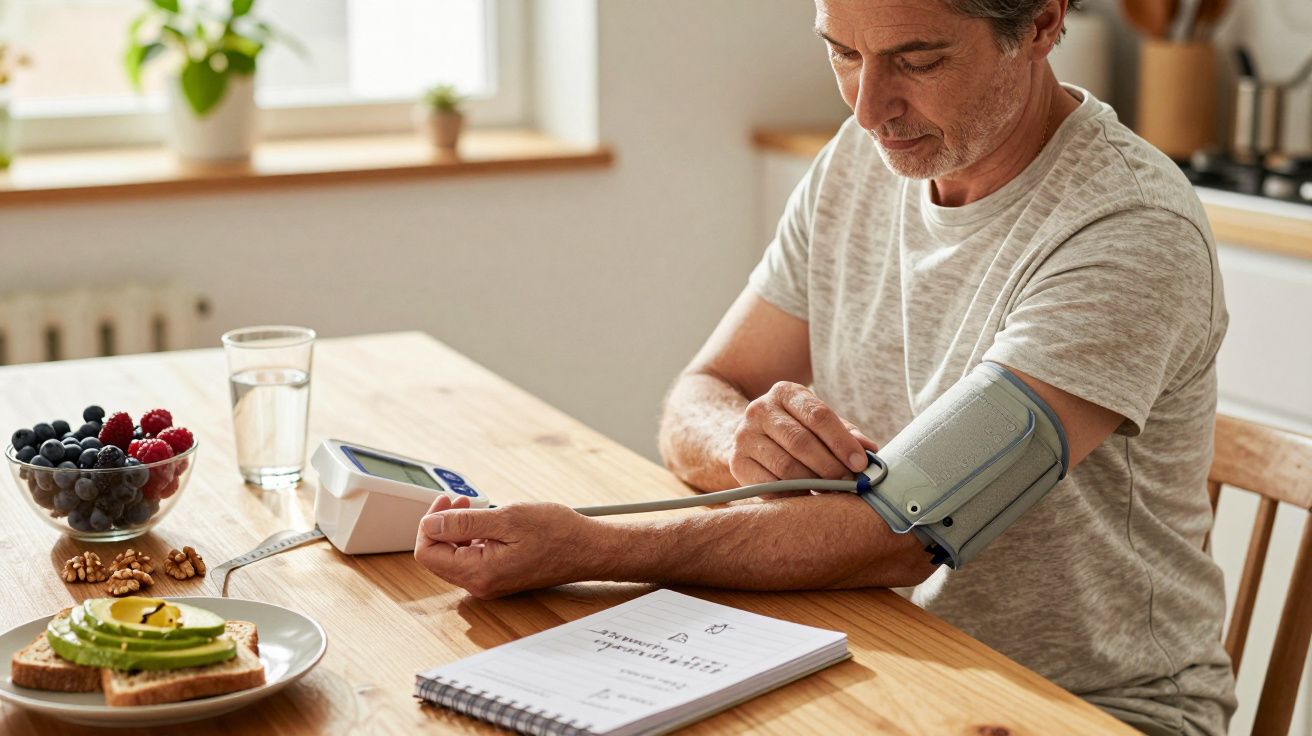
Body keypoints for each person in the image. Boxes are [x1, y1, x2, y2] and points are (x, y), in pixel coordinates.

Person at [413, 1, 1236, 732]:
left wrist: (590, 547)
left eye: (917, 60)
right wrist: (745, 438)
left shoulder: (1129, 230)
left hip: (1088, 707)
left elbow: (902, 533)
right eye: (842, 52)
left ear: (1043, 24)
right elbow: (699, 394)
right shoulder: (863, 157)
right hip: (874, 649)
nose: (871, 107)